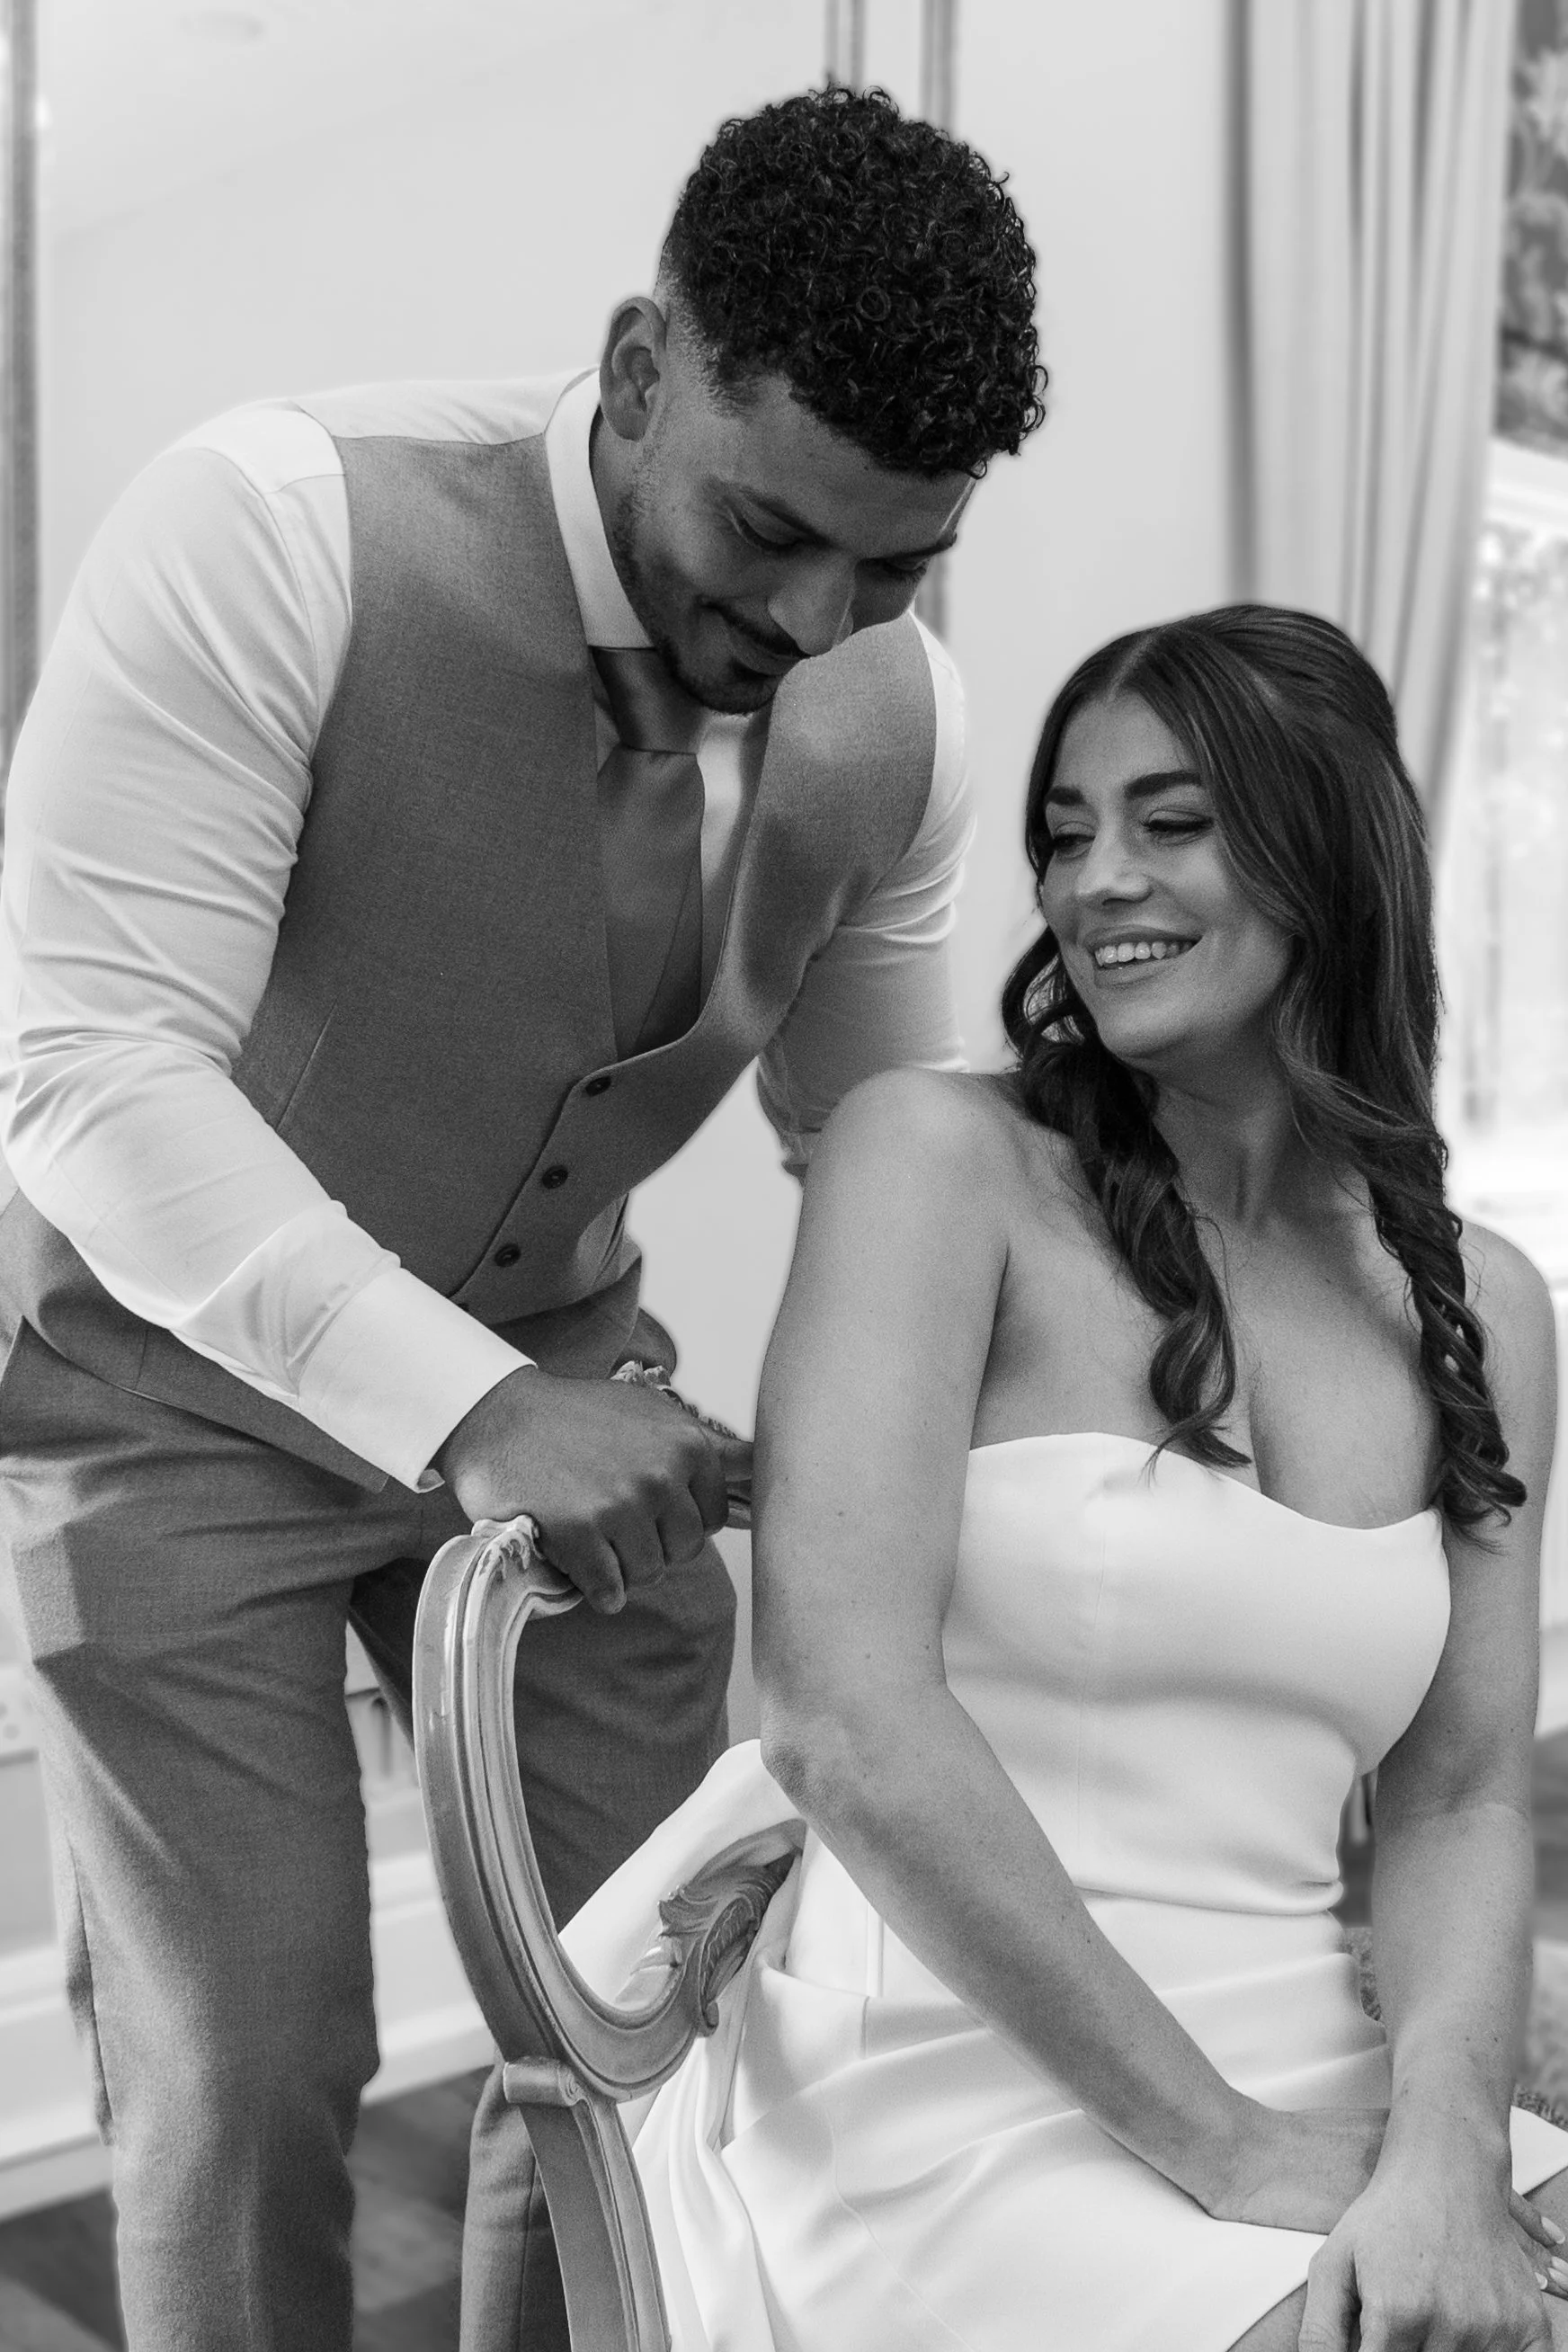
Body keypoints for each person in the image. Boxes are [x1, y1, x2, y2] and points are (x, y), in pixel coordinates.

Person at [0, 85, 1047, 2352]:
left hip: (583, 1382)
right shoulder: (272, 528)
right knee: (254, 2060)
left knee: (637, 2017)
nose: (811, 618)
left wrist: (1041, 1450)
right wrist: (465, 1405)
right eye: (767, 530)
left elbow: (883, 1150)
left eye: (888, 566)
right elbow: (86, 1073)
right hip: (172, 1401)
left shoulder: (892, 722)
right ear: (641, 358)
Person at [562, 604, 1568, 2350]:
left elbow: (1461, 1799)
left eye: (1169, 823)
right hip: (944, 2067)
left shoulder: (1480, 1302)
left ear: (1326, 848)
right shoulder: (936, 1164)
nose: (1096, 879)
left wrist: (1440, 2149)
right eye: (1064, 831)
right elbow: (837, 1716)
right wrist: (1228, 2150)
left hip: (1304, 2043)